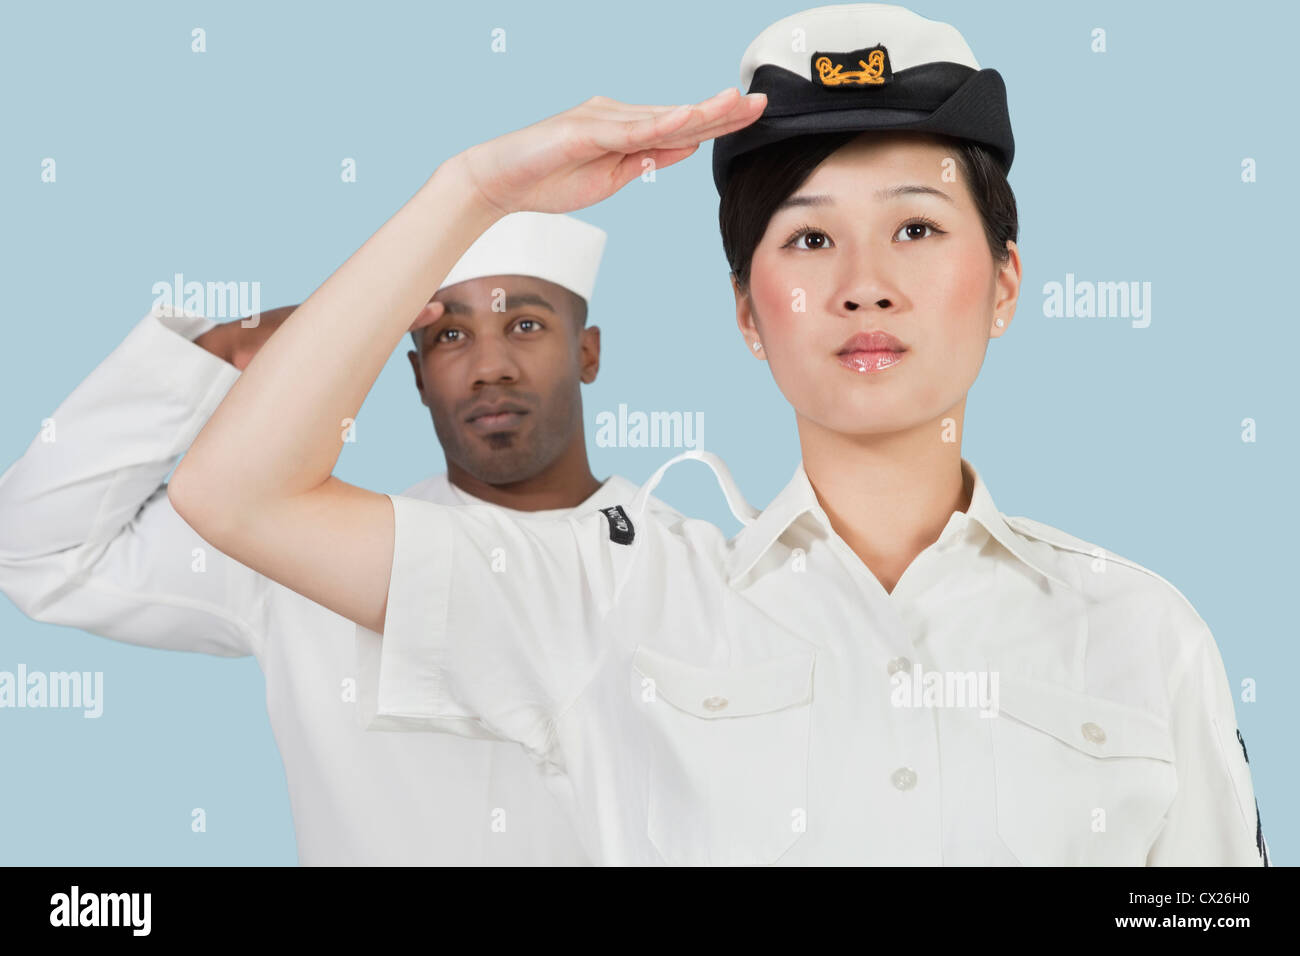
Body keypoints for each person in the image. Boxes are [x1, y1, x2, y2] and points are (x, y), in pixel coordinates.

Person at [167, 3, 1267, 866]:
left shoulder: (1138, 631)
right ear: (746, 311)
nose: (864, 286)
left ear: (1005, 284)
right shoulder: (611, 601)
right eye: (808, 240)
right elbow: (238, 495)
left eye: (917, 227)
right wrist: (473, 193)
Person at [0, 211, 685, 865]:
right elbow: (37, 551)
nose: (490, 367)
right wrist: (218, 352)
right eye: (450, 336)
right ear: (414, 374)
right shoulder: (297, 554)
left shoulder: (690, 574)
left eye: (526, 324)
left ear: (587, 352)